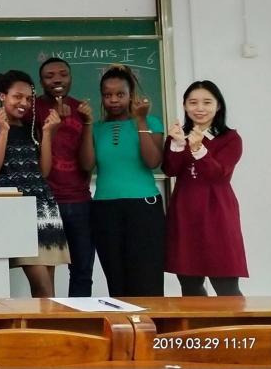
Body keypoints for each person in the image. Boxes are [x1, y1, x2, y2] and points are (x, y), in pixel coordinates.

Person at [0, 70, 69, 297]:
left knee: (49, 288)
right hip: (15, 210)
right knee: (42, 285)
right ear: (2, 96)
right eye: (17, 96)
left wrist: (48, 133)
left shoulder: (31, 127)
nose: (24, 103)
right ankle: (42, 322)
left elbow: (43, 171)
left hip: (43, 207)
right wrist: (3, 131)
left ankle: (48, 321)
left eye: (28, 98)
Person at [80, 64, 165, 297]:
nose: (114, 100)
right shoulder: (96, 128)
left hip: (144, 207)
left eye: (120, 94)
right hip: (105, 208)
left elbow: (153, 161)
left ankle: (151, 321)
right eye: (107, 95)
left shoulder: (151, 122)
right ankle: (122, 321)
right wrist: (87, 125)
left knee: (147, 277)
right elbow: (86, 165)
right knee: (116, 280)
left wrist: (141, 121)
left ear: (130, 95)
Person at [162, 81, 246, 296]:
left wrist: (198, 148)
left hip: (217, 212)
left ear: (218, 106)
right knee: (190, 285)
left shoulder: (230, 138)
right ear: (185, 105)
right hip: (185, 212)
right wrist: (178, 144)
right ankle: (197, 321)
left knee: (227, 287)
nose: (200, 108)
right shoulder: (178, 135)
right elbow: (170, 169)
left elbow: (219, 175)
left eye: (207, 102)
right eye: (193, 102)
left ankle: (237, 321)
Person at [33, 58, 96, 297]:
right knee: (44, 274)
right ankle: (49, 319)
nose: (57, 80)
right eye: (49, 76)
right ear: (41, 82)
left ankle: (78, 318)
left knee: (82, 271)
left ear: (71, 78)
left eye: (63, 74)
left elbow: (88, 164)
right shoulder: (31, 110)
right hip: (45, 201)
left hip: (80, 201)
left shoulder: (82, 110)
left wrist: (87, 123)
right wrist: (53, 128)